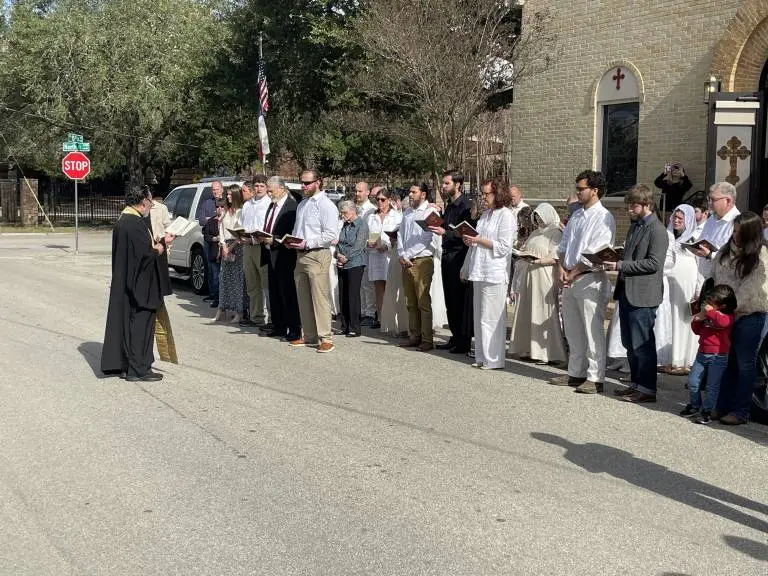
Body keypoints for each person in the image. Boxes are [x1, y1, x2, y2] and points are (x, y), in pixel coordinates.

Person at [549, 170, 615, 394]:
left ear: (595, 190)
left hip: (589, 279)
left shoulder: (604, 217)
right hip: (570, 277)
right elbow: (563, 245)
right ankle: (575, 372)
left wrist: (574, 271)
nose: (577, 192)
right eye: (577, 188)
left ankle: (595, 377)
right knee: (573, 328)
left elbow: (596, 253)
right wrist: (561, 267)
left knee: (592, 329)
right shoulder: (577, 215)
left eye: (581, 189)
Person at [604, 185, 668, 403]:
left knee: (643, 344)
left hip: (643, 295)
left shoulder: (657, 230)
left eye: (633, 206)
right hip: (627, 291)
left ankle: (647, 389)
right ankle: (636, 383)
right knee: (630, 343)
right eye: (628, 206)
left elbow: (654, 263)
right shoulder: (635, 226)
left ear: (647, 204)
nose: (629, 210)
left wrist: (620, 265)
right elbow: (631, 254)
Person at [101, 186, 171, 382]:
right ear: (143, 201)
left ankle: (127, 365)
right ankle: (139, 369)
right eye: (151, 201)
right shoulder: (135, 223)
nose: (151, 205)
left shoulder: (124, 220)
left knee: (129, 325)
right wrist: (161, 246)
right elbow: (144, 256)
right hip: (141, 286)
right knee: (141, 326)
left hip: (127, 281)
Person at [711, 211, 768, 425]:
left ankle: (741, 410)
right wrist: (713, 299)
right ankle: (721, 405)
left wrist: (728, 307)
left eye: (739, 232)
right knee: (727, 362)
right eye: (734, 231)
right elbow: (715, 275)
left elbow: (750, 288)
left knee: (745, 364)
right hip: (725, 312)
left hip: (748, 315)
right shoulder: (726, 251)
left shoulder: (761, 255)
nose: (735, 235)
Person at [462, 178, 514, 370]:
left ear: (498, 194)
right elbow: (479, 239)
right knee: (479, 316)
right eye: (482, 194)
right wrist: (471, 240)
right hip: (480, 269)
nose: (483, 197)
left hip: (494, 271)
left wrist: (478, 240)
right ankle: (482, 356)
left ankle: (494, 359)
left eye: (486, 194)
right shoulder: (485, 215)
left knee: (491, 317)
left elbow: (504, 247)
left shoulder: (506, 215)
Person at [287, 169, 339, 353]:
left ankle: (326, 338)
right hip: (300, 255)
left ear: (318, 182)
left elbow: (331, 234)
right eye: (302, 182)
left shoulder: (326, 205)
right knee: (303, 298)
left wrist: (308, 243)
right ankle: (309, 335)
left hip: (317, 254)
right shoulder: (302, 204)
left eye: (307, 183)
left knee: (319, 298)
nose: (304, 186)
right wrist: (291, 241)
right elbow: (298, 229)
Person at [509, 202, 567, 365]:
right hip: (530, 274)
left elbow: (556, 255)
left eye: (541, 217)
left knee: (543, 311)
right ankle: (529, 349)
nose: (539, 220)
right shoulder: (535, 232)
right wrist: (523, 253)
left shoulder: (556, 232)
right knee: (528, 310)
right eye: (536, 217)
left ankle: (547, 353)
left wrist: (539, 261)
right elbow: (526, 248)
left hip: (544, 275)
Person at [429, 171, 473, 354]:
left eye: (447, 183)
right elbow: (447, 226)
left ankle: (463, 341)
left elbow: (468, 231)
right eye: (443, 183)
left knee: (459, 299)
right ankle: (454, 336)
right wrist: (437, 218)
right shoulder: (449, 206)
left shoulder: (466, 205)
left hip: (459, 256)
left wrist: (445, 232)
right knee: (450, 298)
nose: (444, 186)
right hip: (447, 255)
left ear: (458, 184)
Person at [680, 284, 737, 424]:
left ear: (723, 305)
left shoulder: (727, 316)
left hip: (718, 356)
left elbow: (722, 323)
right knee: (693, 382)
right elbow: (697, 331)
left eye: (711, 303)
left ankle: (707, 411)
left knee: (712, 387)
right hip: (702, 353)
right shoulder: (708, 315)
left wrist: (709, 313)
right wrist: (697, 319)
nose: (708, 305)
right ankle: (695, 405)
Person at [656, 205, 699, 375]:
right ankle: (669, 358)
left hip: (686, 284)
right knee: (669, 318)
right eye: (675, 217)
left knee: (683, 319)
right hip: (669, 283)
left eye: (681, 218)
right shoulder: (668, 235)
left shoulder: (695, 237)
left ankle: (682, 360)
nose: (676, 221)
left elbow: (700, 264)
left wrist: (699, 288)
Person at [398, 183, 438, 352]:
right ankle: (414, 336)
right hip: (406, 260)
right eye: (409, 191)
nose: (410, 194)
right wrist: (402, 254)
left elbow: (427, 238)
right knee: (410, 301)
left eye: (414, 192)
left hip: (422, 260)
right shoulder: (407, 212)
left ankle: (427, 339)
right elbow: (400, 234)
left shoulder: (430, 212)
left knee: (423, 301)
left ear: (423, 194)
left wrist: (409, 254)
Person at [260, 177, 301, 341]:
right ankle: (279, 326)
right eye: (268, 191)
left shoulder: (291, 207)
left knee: (288, 293)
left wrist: (275, 240)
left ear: (282, 189)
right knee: (274, 292)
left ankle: (294, 328)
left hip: (285, 255)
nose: (269, 194)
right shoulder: (272, 205)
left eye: (271, 191)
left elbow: (291, 232)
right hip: (270, 254)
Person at [147, 195, 177, 364]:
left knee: (158, 298)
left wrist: (166, 241)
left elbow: (168, 227)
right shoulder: (136, 215)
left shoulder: (161, 208)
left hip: (160, 252)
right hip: (149, 252)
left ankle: (166, 354)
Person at [366, 188, 402, 327]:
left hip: (389, 256)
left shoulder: (396, 216)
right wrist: (368, 243)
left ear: (389, 200)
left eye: (383, 199)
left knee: (391, 287)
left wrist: (387, 246)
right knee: (378, 287)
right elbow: (365, 234)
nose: (380, 202)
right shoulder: (371, 216)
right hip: (375, 255)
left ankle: (393, 319)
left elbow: (399, 237)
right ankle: (381, 318)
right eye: (377, 199)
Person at [693, 182, 740, 284]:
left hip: (725, 282)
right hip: (705, 278)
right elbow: (702, 239)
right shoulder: (712, 218)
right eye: (708, 199)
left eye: (713, 199)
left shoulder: (738, 223)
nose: (709, 203)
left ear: (728, 201)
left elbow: (736, 256)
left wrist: (710, 255)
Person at [240, 175, 271, 327]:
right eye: (256, 186)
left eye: (262, 186)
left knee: (266, 283)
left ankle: (272, 319)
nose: (259, 189)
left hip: (262, 246)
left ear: (266, 187)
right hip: (247, 246)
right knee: (252, 284)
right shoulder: (247, 204)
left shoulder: (269, 204)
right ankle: (256, 316)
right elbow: (242, 224)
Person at [336, 201, 369, 337]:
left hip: (355, 263)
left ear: (353, 211)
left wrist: (346, 257)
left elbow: (359, 245)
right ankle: (345, 325)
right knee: (343, 294)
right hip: (342, 262)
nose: (343, 215)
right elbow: (339, 242)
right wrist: (338, 255)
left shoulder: (362, 224)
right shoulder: (345, 225)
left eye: (345, 212)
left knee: (353, 295)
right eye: (342, 213)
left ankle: (355, 327)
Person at [380, 190, 409, 337]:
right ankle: (399, 325)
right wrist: (392, 240)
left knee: (405, 295)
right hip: (396, 257)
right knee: (394, 293)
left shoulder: (400, 217)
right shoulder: (401, 219)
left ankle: (408, 326)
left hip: (407, 258)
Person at [217, 184, 245, 323]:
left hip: (237, 247)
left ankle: (239, 311)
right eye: (226, 194)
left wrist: (231, 246)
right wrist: (223, 245)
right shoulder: (225, 212)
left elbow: (240, 232)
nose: (227, 197)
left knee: (237, 280)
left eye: (230, 194)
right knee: (224, 279)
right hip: (226, 246)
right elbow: (221, 230)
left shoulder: (241, 211)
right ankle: (222, 309)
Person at [196, 180, 224, 302]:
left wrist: (209, 218)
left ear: (222, 189)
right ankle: (212, 293)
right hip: (209, 239)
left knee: (221, 269)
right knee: (210, 267)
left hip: (223, 240)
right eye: (213, 189)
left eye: (217, 189)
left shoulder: (226, 201)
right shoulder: (207, 203)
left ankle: (220, 296)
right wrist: (213, 218)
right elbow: (201, 221)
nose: (215, 191)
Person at [202, 198, 225, 309]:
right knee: (216, 277)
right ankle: (216, 298)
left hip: (227, 253)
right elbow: (206, 235)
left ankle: (225, 300)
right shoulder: (211, 221)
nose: (219, 209)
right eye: (217, 207)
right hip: (215, 253)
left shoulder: (228, 220)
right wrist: (214, 238)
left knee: (224, 278)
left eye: (222, 207)